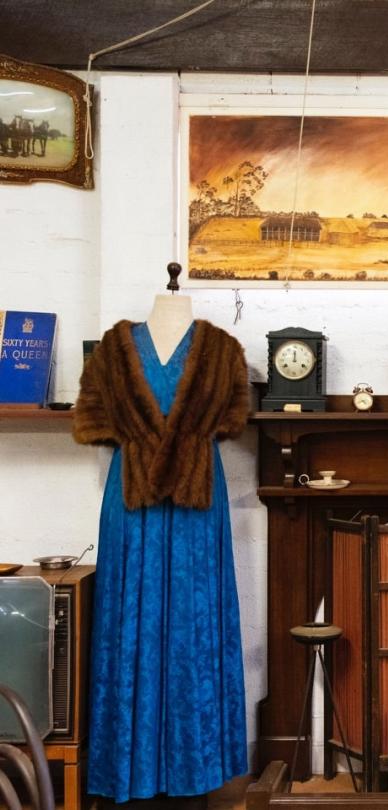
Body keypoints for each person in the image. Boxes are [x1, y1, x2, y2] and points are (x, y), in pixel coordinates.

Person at [73, 294, 249, 802]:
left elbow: (230, 421)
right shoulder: (112, 350)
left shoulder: (221, 350)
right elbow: (95, 423)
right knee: (131, 626)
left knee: (196, 632)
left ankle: (196, 772)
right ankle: (128, 773)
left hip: (197, 514)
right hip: (133, 510)